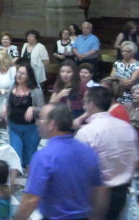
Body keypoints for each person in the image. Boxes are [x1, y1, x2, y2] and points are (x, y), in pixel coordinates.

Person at [13, 103, 107, 220]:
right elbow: (100, 190)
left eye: (41, 118)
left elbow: (31, 199)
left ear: (52, 124)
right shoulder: (88, 151)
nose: (38, 122)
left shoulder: (45, 156)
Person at [75, 86, 138, 220]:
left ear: (91, 104)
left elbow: (78, 168)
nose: (83, 104)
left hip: (94, 194)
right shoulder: (127, 128)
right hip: (121, 192)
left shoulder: (87, 132)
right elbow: (135, 161)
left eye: (84, 101)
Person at [3, 63, 44, 180]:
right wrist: (4, 106)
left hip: (31, 128)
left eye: (23, 73)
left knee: (29, 155)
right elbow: (7, 101)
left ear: (29, 76)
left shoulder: (35, 91)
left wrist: (33, 108)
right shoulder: (13, 87)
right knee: (15, 153)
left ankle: (31, 182)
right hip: (14, 126)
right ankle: (11, 184)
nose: (19, 75)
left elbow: (42, 109)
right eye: (18, 72)